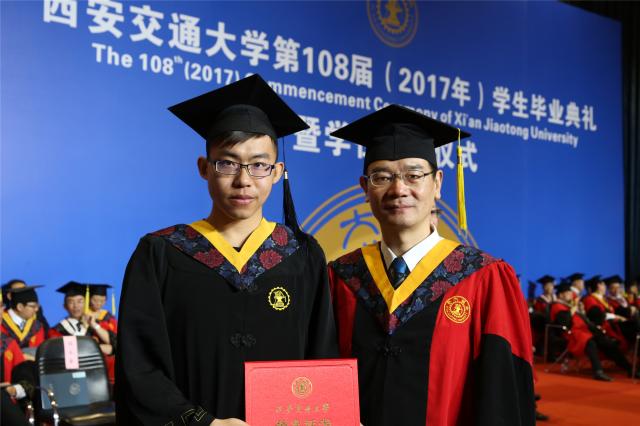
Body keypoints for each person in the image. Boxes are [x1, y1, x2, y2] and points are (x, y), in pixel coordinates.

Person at [116, 74, 338, 425]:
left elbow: (322, 357)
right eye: (227, 163)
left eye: (259, 165)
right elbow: (139, 367)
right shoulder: (161, 253)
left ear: (277, 172)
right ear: (204, 168)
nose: (243, 180)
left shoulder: (302, 255)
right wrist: (202, 422)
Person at [327, 104, 534, 426]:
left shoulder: (483, 277)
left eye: (414, 175)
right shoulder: (340, 277)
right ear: (365, 188)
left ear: (437, 183)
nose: (399, 189)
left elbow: (502, 393)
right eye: (382, 177)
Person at [0, 285, 46, 354]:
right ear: (20, 307)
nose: (36, 309)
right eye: (33, 306)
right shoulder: (2, 322)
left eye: (37, 306)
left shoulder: (37, 326)